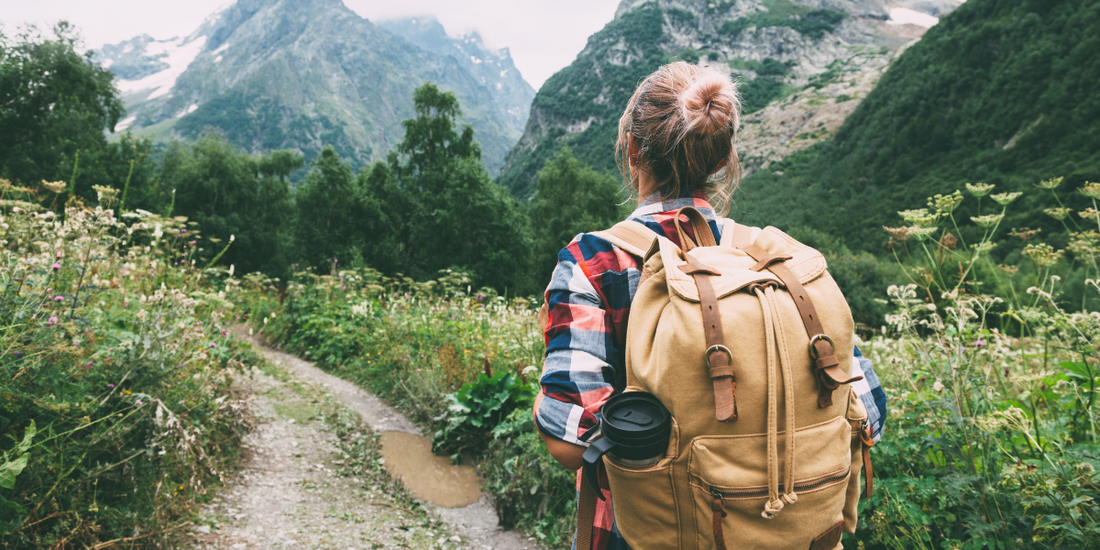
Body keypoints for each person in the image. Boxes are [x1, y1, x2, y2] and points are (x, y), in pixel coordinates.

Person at [532, 61, 887, 550]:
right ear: (722, 159)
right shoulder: (772, 259)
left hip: (637, 534)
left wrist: (544, 396)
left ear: (633, 149)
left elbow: (570, 442)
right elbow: (867, 410)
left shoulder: (596, 262)